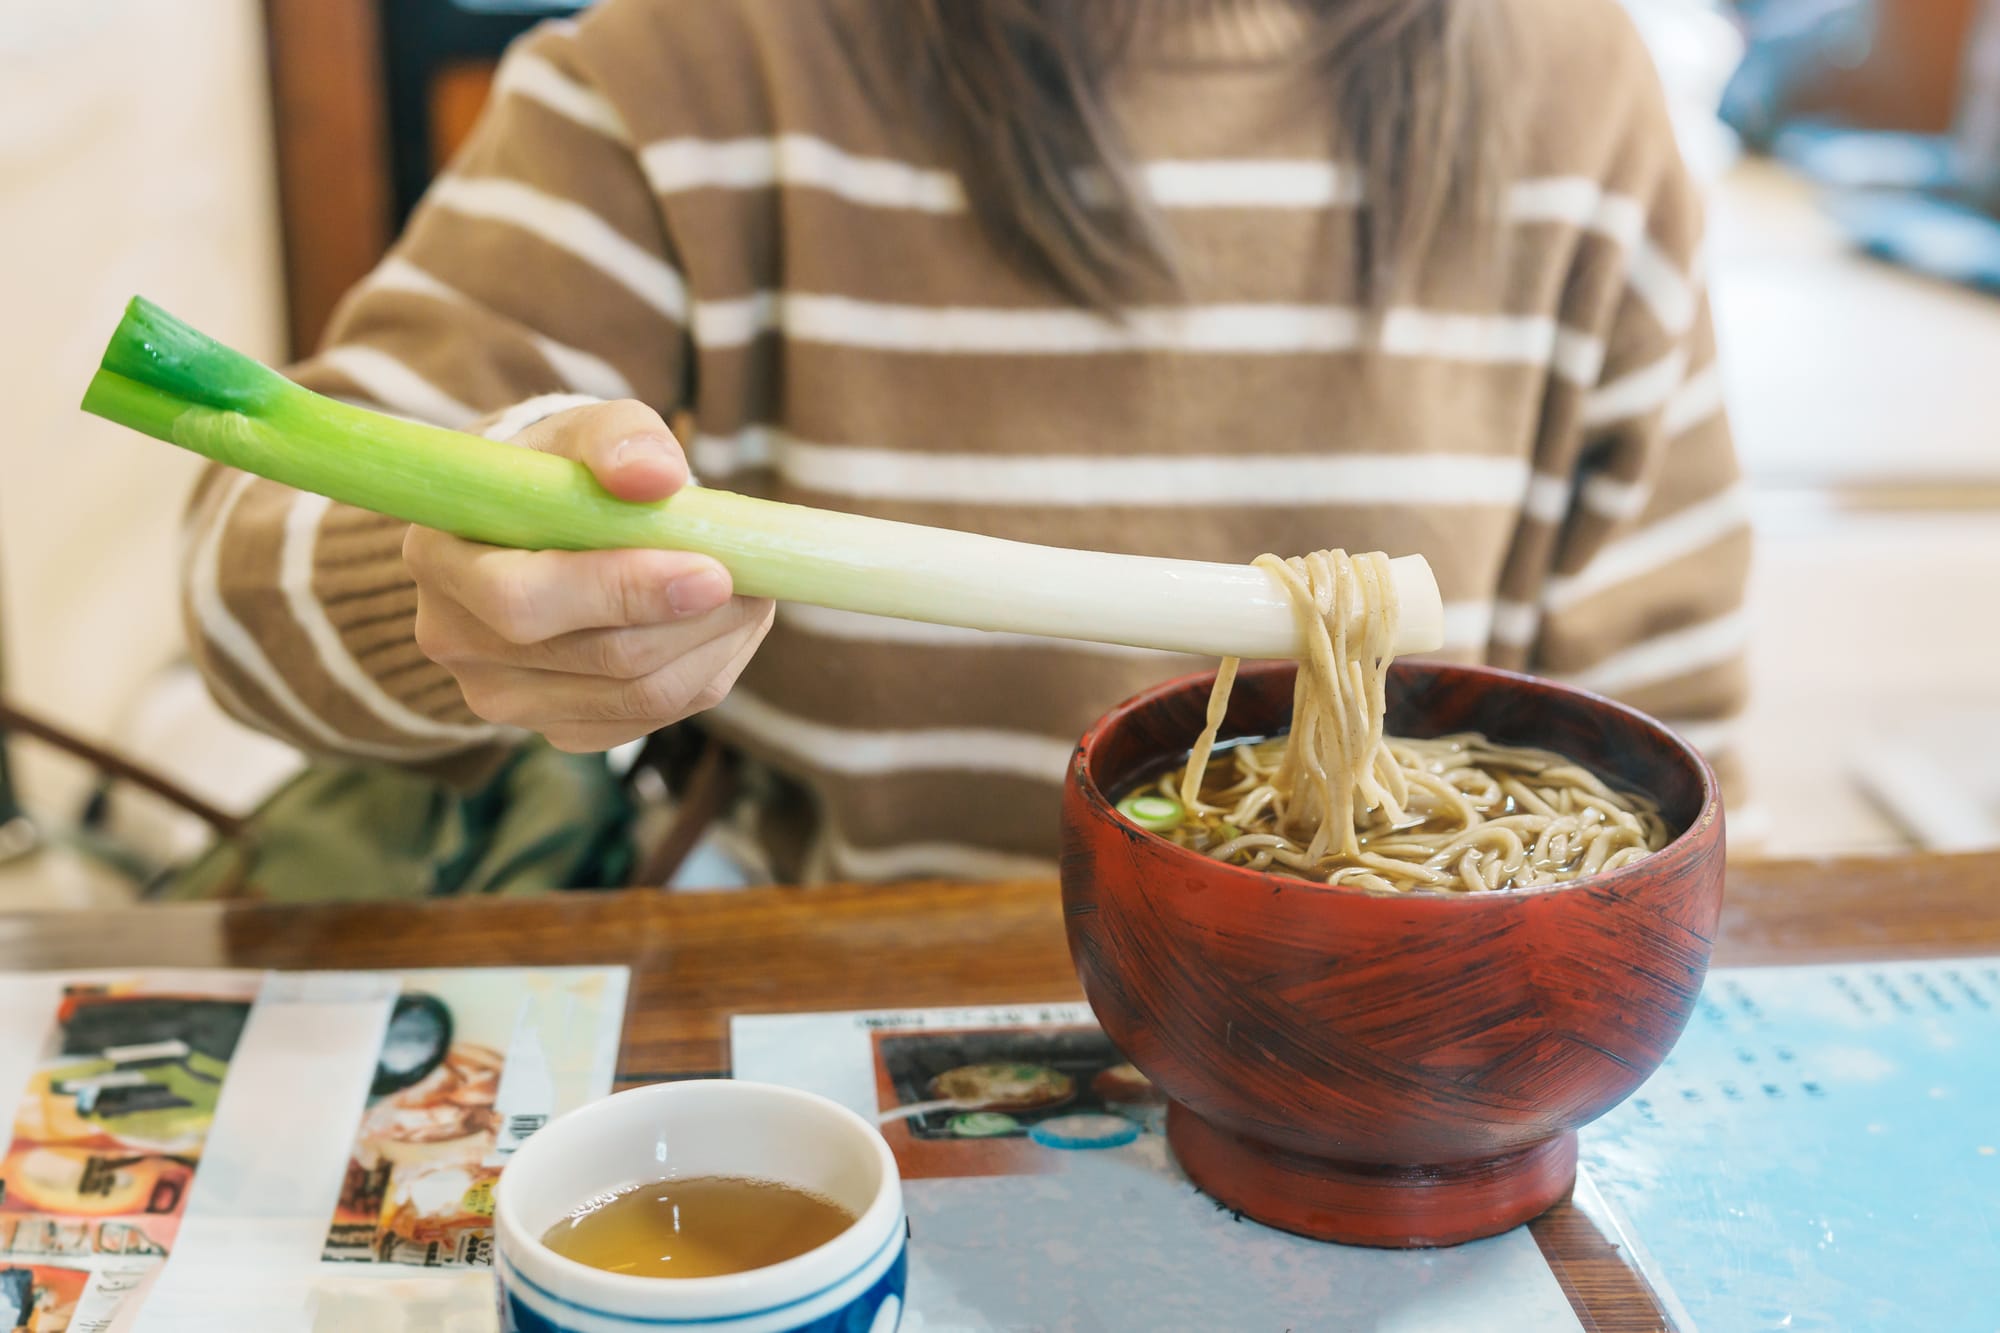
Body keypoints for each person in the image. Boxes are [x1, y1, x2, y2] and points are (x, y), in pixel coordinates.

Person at [182, 0, 1749, 885]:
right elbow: (236, 582)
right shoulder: (688, 71)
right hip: (831, 1013)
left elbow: (1671, 741)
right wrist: (476, 555)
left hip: (1397, 1045)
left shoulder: (1572, 89)